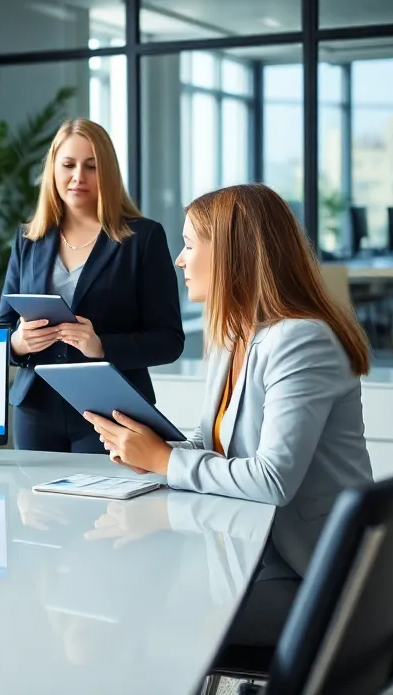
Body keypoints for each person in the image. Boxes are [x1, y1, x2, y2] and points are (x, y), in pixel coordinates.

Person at [87, 182, 374, 646]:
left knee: (150, 622)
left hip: (321, 577)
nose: (179, 260)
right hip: (260, 553)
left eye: (189, 245)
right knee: (127, 592)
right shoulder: (232, 335)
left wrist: (164, 460)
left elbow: (271, 481)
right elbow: (215, 437)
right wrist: (149, 444)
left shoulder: (301, 340)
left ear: (232, 254)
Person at [0, 118, 184, 454]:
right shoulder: (29, 239)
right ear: (53, 169)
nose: (78, 177)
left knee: (103, 507)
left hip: (112, 412)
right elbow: (2, 329)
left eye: (91, 166)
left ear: (107, 172)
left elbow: (169, 341)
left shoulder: (143, 239)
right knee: (37, 505)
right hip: (35, 409)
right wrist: (19, 343)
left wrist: (102, 347)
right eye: (68, 165)